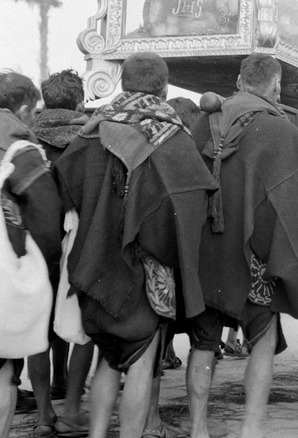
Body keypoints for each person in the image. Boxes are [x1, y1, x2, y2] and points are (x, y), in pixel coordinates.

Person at [54, 52, 218, 438]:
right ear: (164, 86)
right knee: (140, 362)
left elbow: (66, 180)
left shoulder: (91, 129)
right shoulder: (173, 135)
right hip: (144, 272)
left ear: (122, 83)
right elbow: (192, 202)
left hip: (94, 265)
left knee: (107, 359)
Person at [187, 53, 298, 438]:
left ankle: (197, 430)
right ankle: (252, 428)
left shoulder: (205, 121)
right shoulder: (278, 127)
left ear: (240, 82)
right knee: (263, 338)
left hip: (206, 248)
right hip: (255, 251)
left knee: (204, 343)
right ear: (275, 87)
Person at [30, 68, 94, 437]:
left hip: (37, 244)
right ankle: (71, 403)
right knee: (80, 323)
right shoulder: (87, 138)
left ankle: (43, 415)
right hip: (75, 240)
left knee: (39, 326)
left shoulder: (28, 136)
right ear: (79, 100)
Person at [0, 71, 62, 438]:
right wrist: (44, 269)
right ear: (23, 108)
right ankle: (27, 420)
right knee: (9, 364)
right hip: (9, 268)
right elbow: (45, 218)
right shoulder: (21, 148)